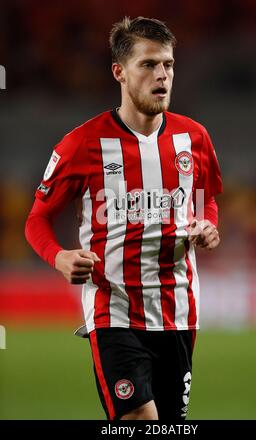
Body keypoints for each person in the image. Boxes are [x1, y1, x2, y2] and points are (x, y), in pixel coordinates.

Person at [25, 16, 223, 420]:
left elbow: (208, 200)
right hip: (112, 308)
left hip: (179, 310)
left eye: (167, 64)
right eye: (148, 64)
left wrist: (207, 226)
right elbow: (36, 220)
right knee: (137, 419)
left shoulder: (195, 138)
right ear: (119, 72)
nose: (162, 75)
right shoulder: (81, 143)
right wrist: (59, 257)